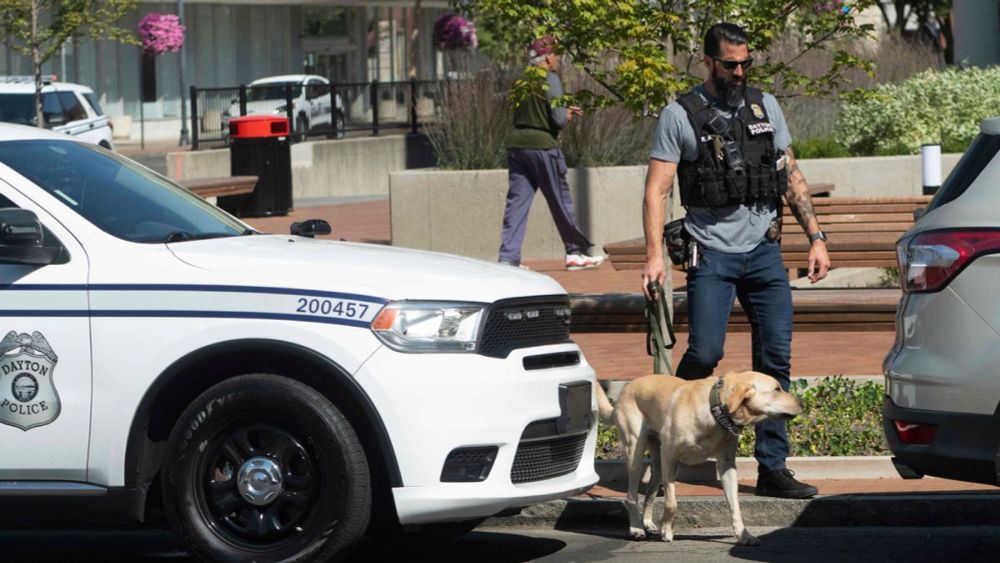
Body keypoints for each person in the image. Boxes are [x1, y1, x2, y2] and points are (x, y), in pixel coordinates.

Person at [641, 23, 831, 499]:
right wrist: (654, 256)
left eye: (746, 62)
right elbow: (657, 190)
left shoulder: (765, 105)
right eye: (731, 64)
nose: (740, 70)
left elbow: (790, 174)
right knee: (705, 353)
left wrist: (816, 237)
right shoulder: (679, 114)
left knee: (775, 360)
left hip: (765, 253)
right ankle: (667, 436)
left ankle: (773, 469)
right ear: (708, 61)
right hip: (711, 252)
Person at [498, 36, 605, 271]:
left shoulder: (520, 80)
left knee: (516, 203)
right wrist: (565, 115)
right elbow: (556, 118)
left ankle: (508, 257)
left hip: (517, 146)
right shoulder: (550, 79)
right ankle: (574, 252)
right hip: (543, 146)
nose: (558, 60)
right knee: (560, 201)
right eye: (556, 55)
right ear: (547, 58)